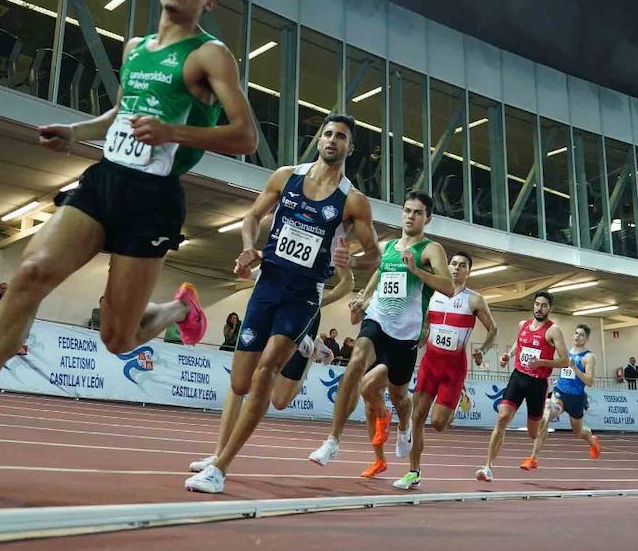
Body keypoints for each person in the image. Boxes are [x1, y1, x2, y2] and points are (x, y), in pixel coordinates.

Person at [0, 0, 257, 462]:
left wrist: (174, 130)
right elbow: (121, 113)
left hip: (153, 199)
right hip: (105, 178)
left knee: (117, 339)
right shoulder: (135, 48)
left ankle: (176, 310)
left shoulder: (209, 55)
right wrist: (77, 133)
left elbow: (245, 138)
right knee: (30, 274)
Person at [185, 115, 379, 493]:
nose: (332, 140)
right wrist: (246, 247)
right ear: (318, 139)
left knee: (266, 372)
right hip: (267, 285)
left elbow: (373, 251)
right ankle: (218, 452)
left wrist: (350, 260)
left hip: (303, 296)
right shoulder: (286, 176)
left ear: (349, 149)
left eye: (341, 137)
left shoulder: (353, 201)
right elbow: (253, 216)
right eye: (327, 133)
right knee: (239, 382)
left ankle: (220, 468)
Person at [190, 213, 355, 476]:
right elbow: (262, 240)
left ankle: (309, 355)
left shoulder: (336, 234)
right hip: (266, 300)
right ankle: (219, 453)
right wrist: (246, 265)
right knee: (239, 381)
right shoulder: (290, 211)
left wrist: (318, 301)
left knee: (279, 400)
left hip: (302, 311)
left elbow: (348, 283)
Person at [307, 191, 454, 475]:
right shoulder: (388, 247)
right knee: (356, 362)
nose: (410, 216)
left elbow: (447, 288)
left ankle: (403, 425)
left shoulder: (431, 249)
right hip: (378, 321)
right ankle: (333, 440)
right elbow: (381, 272)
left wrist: (417, 271)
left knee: (400, 396)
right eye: (407, 210)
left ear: (428, 218)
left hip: (405, 336)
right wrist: (365, 296)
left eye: (417, 212)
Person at [392, 251, 496, 490]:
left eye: (462, 265)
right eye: (454, 264)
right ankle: (413, 472)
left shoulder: (475, 300)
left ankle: (459, 397)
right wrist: (421, 334)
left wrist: (483, 349)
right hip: (430, 363)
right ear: (447, 267)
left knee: (438, 423)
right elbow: (425, 321)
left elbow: (493, 329)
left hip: (454, 369)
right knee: (417, 417)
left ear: (468, 272)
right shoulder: (433, 294)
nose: (457, 268)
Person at [475, 290, 569, 482]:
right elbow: (519, 343)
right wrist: (508, 355)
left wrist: (542, 362)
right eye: (537, 304)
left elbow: (565, 360)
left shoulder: (553, 330)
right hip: (518, 378)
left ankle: (547, 414)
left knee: (532, 433)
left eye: (544, 305)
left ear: (550, 308)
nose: (539, 308)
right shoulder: (523, 325)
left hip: (537, 383)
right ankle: (488, 467)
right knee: (502, 417)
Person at [522, 322, 601, 471]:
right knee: (546, 415)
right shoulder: (565, 352)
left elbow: (589, 381)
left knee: (578, 432)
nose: (578, 336)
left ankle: (592, 441)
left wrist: (575, 368)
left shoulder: (588, 357)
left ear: (587, 338)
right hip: (560, 395)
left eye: (582, 335)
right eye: (576, 333)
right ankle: (533, 458)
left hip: (576, 399)